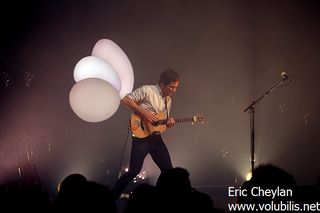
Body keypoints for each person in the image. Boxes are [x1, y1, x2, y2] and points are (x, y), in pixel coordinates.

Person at [112, 69, 180, 199]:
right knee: (133, 171)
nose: (174, 90)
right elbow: (126, 100)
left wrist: (168, 124)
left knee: (168, 171)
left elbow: (160, 122)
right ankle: (112, 197)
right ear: (162, 84)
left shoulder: (168, 100)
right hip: (141, 138)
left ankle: (159, 198)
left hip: (156, 138)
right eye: (172, 87)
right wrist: (144, 113)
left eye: (176, 87)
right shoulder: (147, 90)